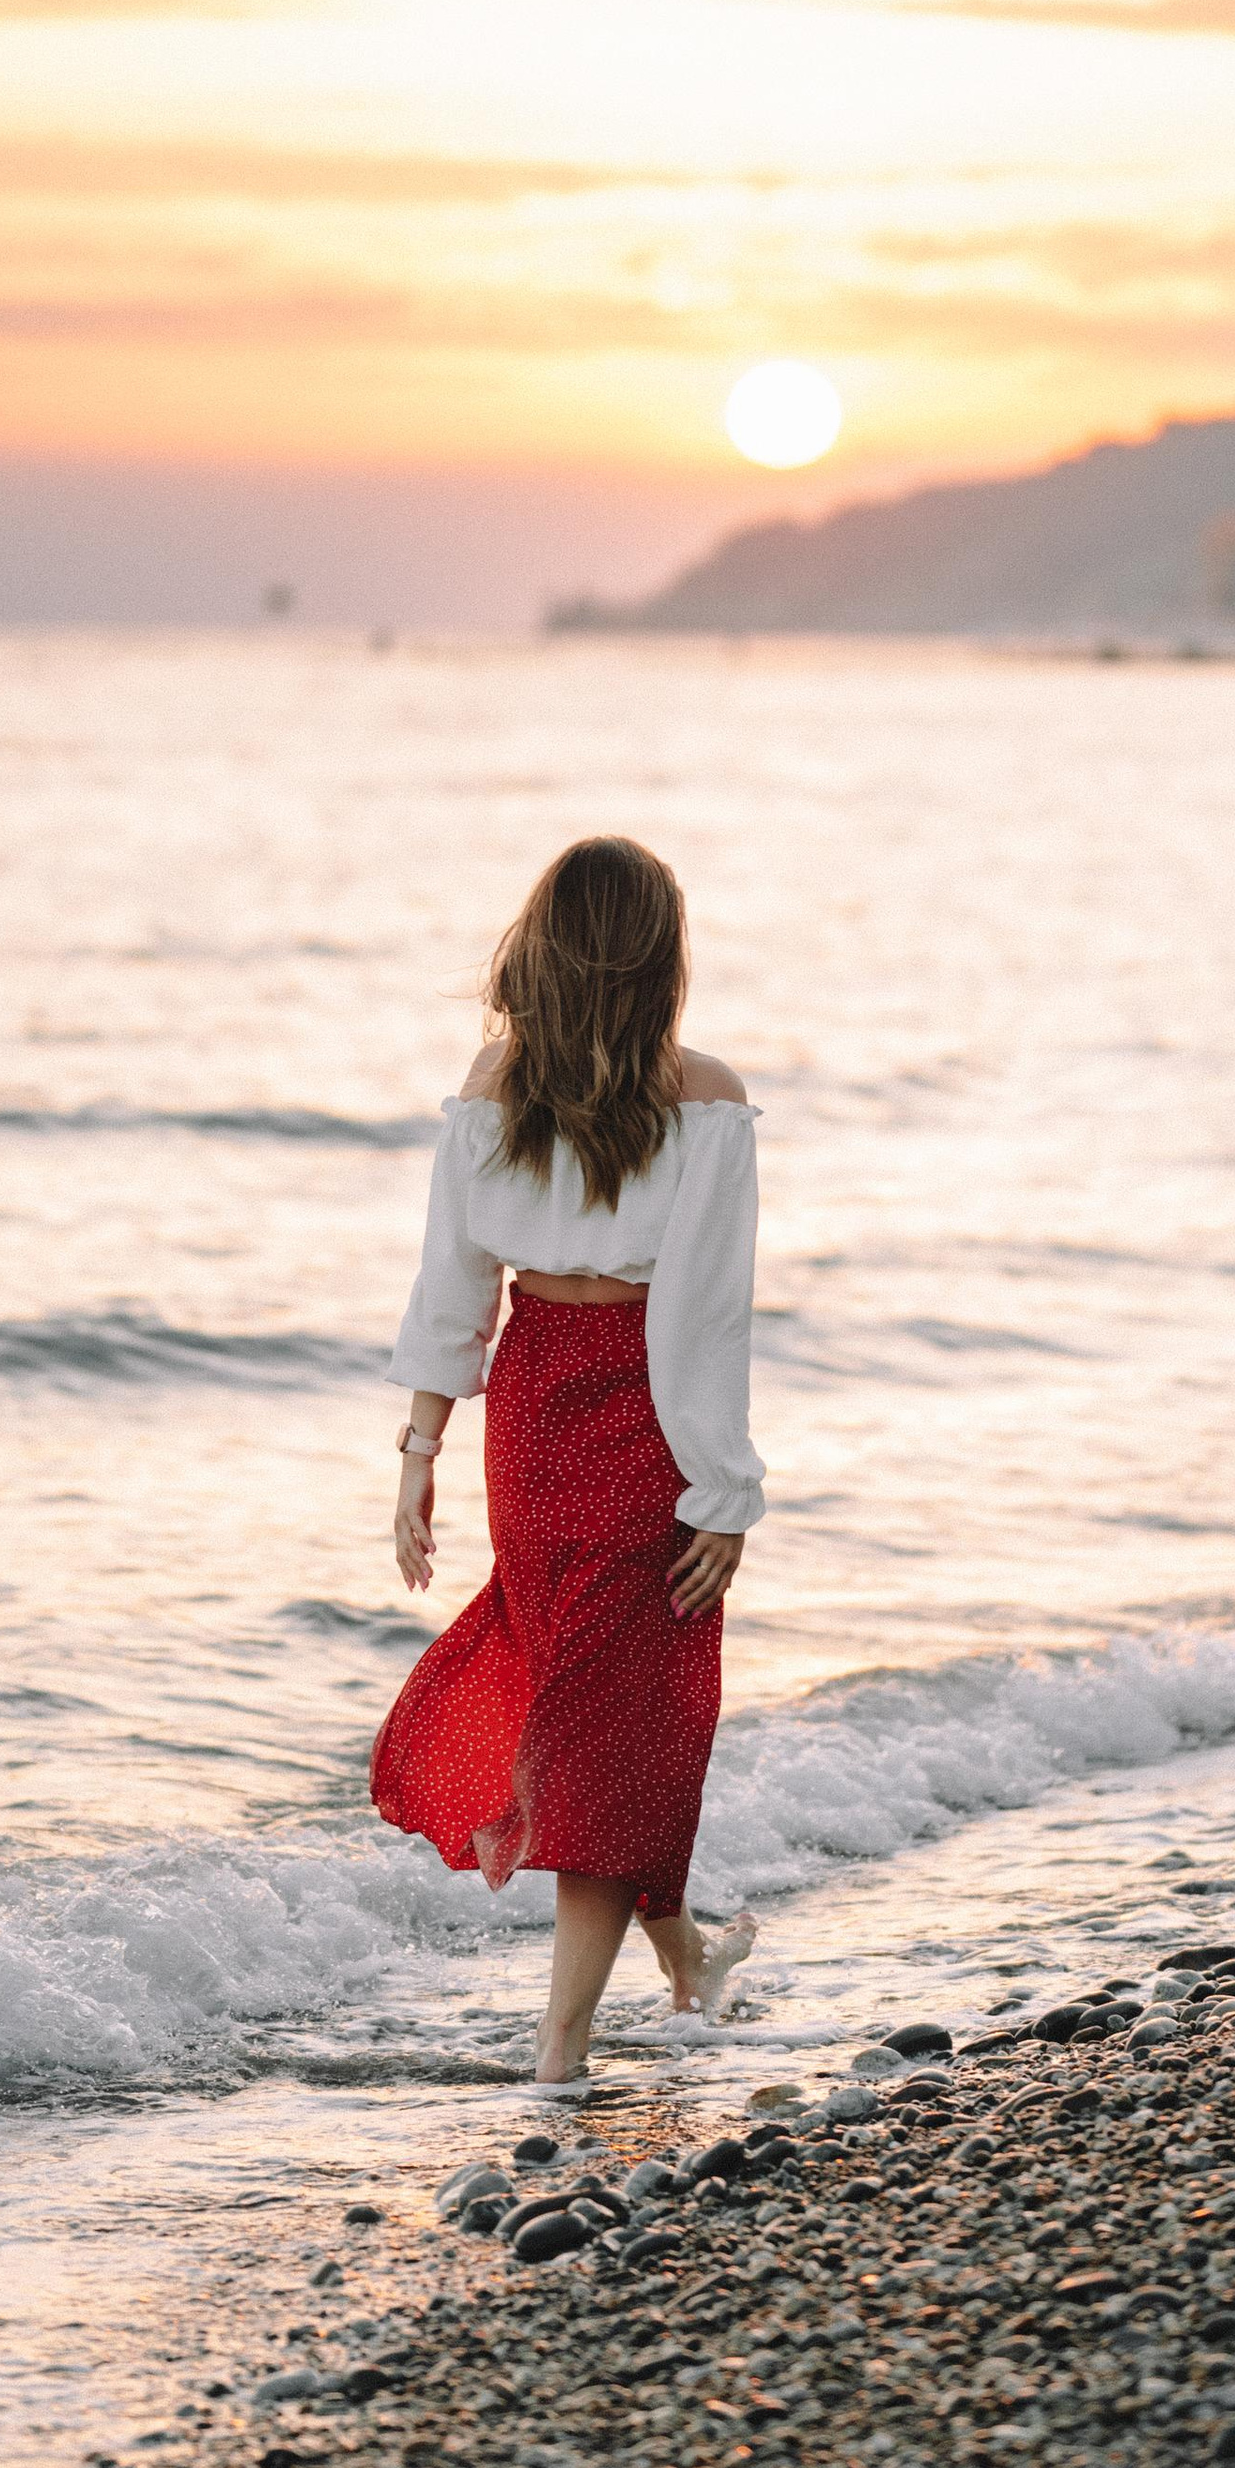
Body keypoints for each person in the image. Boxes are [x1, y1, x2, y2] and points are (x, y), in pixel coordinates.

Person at [371, 835, 763, 2089]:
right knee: (608, 1712)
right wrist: (723, 1485)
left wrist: (426, 1445)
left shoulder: (501, 1083)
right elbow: (704, 1313)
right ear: (660, 958)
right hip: (634, 1408)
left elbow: (452, 1285)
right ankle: (562, 2046)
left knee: (611, 1714)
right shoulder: (700, 1096)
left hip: (536, 1411)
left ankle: (687, 1958)